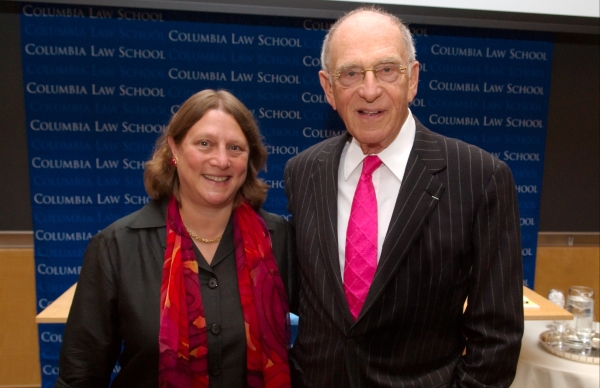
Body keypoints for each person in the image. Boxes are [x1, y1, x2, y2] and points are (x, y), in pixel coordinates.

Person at [284, 6, 523, 388]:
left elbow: (498, 336)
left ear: (412, 79)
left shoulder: (480, 177)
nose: (369, 89)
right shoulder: (302, 172)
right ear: (328, 89)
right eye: (350, 73)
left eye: (386, 70)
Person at [56, 89, 294, 388]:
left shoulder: (277, 240)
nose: (221, 160)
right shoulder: (117, 246)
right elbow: (81, 373)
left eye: (235, 148)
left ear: (249, 160)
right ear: (174, 150)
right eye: (204, 144)